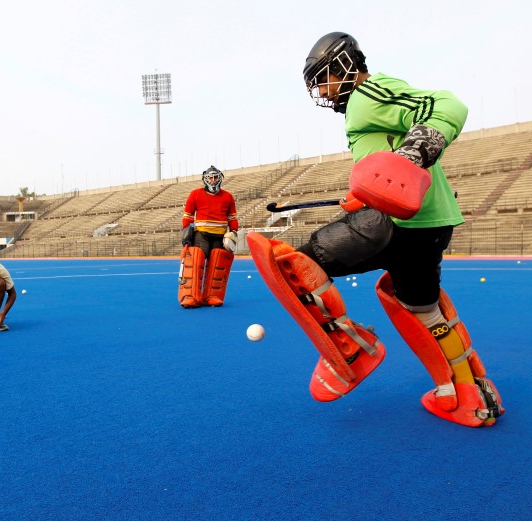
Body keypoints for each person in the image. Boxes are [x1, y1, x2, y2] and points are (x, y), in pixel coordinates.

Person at [246, 32, 503, 427]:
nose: (321, 90)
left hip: (396, 224)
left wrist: (412, 154)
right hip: (426, 226)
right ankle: (467, 393)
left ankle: (352, 347)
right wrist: (367, 194)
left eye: (322, 78)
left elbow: (447, 104)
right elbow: (389, 176)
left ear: (343, 66)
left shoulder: (368, 94)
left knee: (292, 265)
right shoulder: (366, 108)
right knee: (423, 309)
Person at [178, 165, 239, 307]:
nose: (213, 180)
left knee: (217, 266)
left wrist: (234, 232)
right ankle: (191, 296)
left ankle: (212, 296)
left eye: (215, 177)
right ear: (205, 179)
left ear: (220, 178)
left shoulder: (228, 196)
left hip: (220, 236)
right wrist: (186, 236)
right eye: (210, 178)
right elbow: (187, 217)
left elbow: (232, 218)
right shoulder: (195, 194)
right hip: (201, 234)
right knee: (194, 264)